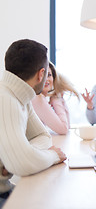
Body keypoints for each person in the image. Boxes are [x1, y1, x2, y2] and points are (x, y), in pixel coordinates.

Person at [0, 39, 66, 207]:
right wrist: (53, 156)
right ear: (41, 74)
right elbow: (21, 163)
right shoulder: (5, 99)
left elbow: (42, 135)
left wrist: (21, 156)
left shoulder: (21, 96)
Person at [32, 62, 80, 135]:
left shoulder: (39, 98)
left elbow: (67, 126)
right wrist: (56, 99)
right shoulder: (37, 98)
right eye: (42, 75)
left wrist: (60, 99)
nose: (46, 79)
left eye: (49, 75)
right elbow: (64, 129)